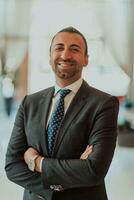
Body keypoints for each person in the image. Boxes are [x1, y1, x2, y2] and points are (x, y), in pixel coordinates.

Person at [5, 27, 119, 200]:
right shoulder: (30, 103)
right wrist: (58, 185)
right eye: (59, 48)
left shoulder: (104, 104)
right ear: (50, 56)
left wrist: (36, 162)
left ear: (86, 59)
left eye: (75, 49)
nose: (65, 55)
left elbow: (93, 170)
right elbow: (12, 166)